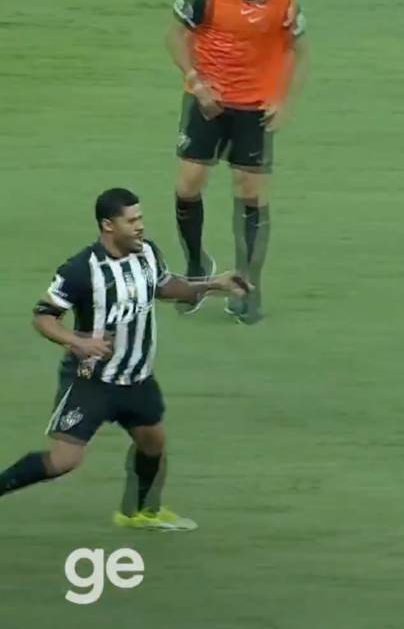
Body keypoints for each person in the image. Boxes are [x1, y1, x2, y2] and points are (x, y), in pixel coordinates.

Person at [0, 188, 248, 531]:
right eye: (131, 221)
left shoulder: (147, 253)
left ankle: (140, 513)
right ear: (108, 225)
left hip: (137, 378)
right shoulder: (81, 269)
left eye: (140, 218)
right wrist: (77, 342)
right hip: (92, 381)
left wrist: (213, 284)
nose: (139, 226)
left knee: (152, 443)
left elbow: (164, 286)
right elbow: (43, 316)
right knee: (63, 460)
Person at [167, 0, 308, 324]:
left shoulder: (284, 5)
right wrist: (196, 82)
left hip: (254, 107)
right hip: (206, 100)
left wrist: (283, 101)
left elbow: (299, 51)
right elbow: (174, 35)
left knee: (251, 192)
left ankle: (247, 286)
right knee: (187, 185)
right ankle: (197, 268)